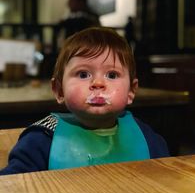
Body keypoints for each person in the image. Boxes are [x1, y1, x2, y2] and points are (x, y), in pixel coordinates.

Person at [0, 27, 169, 175]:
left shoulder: (145, 136)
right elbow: (14, 188)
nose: (98, 83)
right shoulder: (43, 138)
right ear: (59, 90)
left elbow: (166, 177)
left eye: (112, 75)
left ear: (131, 91)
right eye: (83, 74)